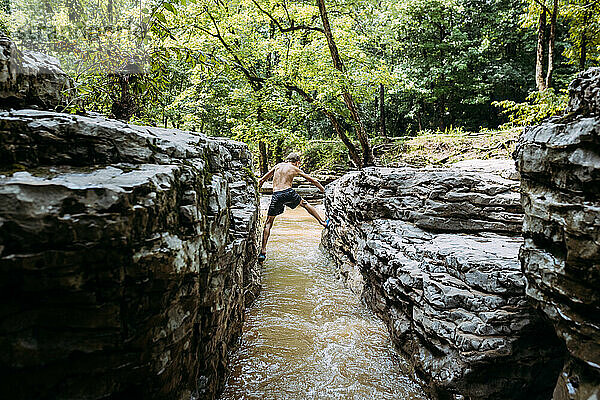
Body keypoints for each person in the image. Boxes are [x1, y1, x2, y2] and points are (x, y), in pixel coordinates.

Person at [257, 152, 329, 262]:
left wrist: (257, 191)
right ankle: (322, 222)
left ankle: (263, 251)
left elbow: (262, 180)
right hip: (288, 192)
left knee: (268, 222)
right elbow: (313, 180)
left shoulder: (278, 166)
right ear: (297, 162)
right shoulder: (294, 168)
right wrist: (324, 190)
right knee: (305, 204)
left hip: (276, 195)